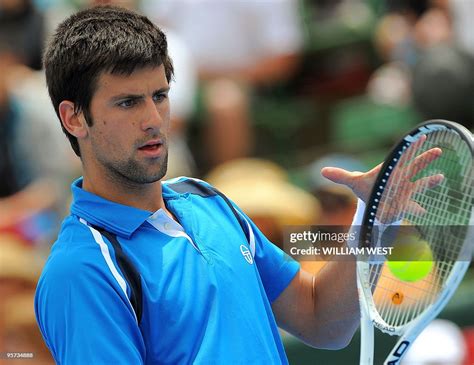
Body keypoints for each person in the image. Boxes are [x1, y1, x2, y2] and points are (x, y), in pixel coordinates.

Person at [34, 6, 439, 364]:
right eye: (127, 102)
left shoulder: (208, 201)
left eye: (159, 95)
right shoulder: (80, 272)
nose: (153, 118)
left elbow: (321, 321)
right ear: (74, 118)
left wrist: (371, 223)